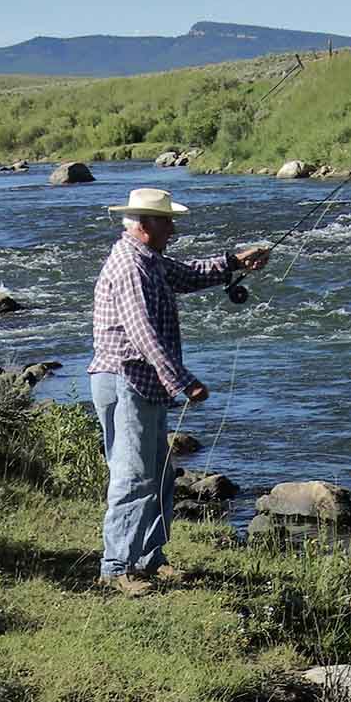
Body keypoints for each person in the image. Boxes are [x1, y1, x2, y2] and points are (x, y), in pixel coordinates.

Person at [88, 187, 270, 596]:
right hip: (126, 380)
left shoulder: (149, 260)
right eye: (166, 221)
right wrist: (184, 382)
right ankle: (116, 568)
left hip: (143, 381)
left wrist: (235, 263)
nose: (172, 228)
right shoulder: (130, 267)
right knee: (133, 476)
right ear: (143, 224)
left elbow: (188, 274)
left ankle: (150, 559)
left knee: (159, 475)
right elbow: (143, 333)